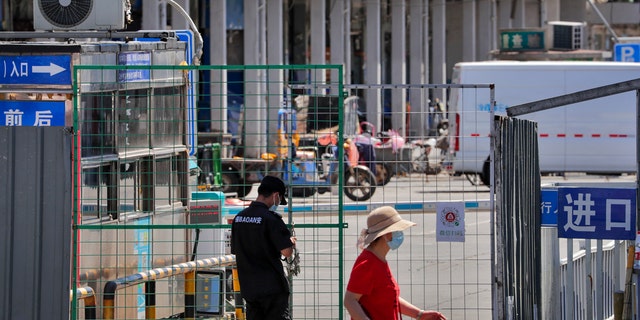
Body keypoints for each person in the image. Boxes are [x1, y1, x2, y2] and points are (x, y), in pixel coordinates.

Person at [344, 206, 447, 320]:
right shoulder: (367, 264)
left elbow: (389, 298)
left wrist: (419, 314)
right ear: (386, 234)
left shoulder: (379, 260)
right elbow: (350, 301)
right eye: (397, 230)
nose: (400, 234)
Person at [231, 175, 296, 320]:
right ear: (275, 195)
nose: (278, 202)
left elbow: (236, 249)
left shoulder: (239, 218)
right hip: (272, 288)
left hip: (249, 287)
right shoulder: (272, 219)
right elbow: (286, 252)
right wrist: (291, 242)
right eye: (279, 199)